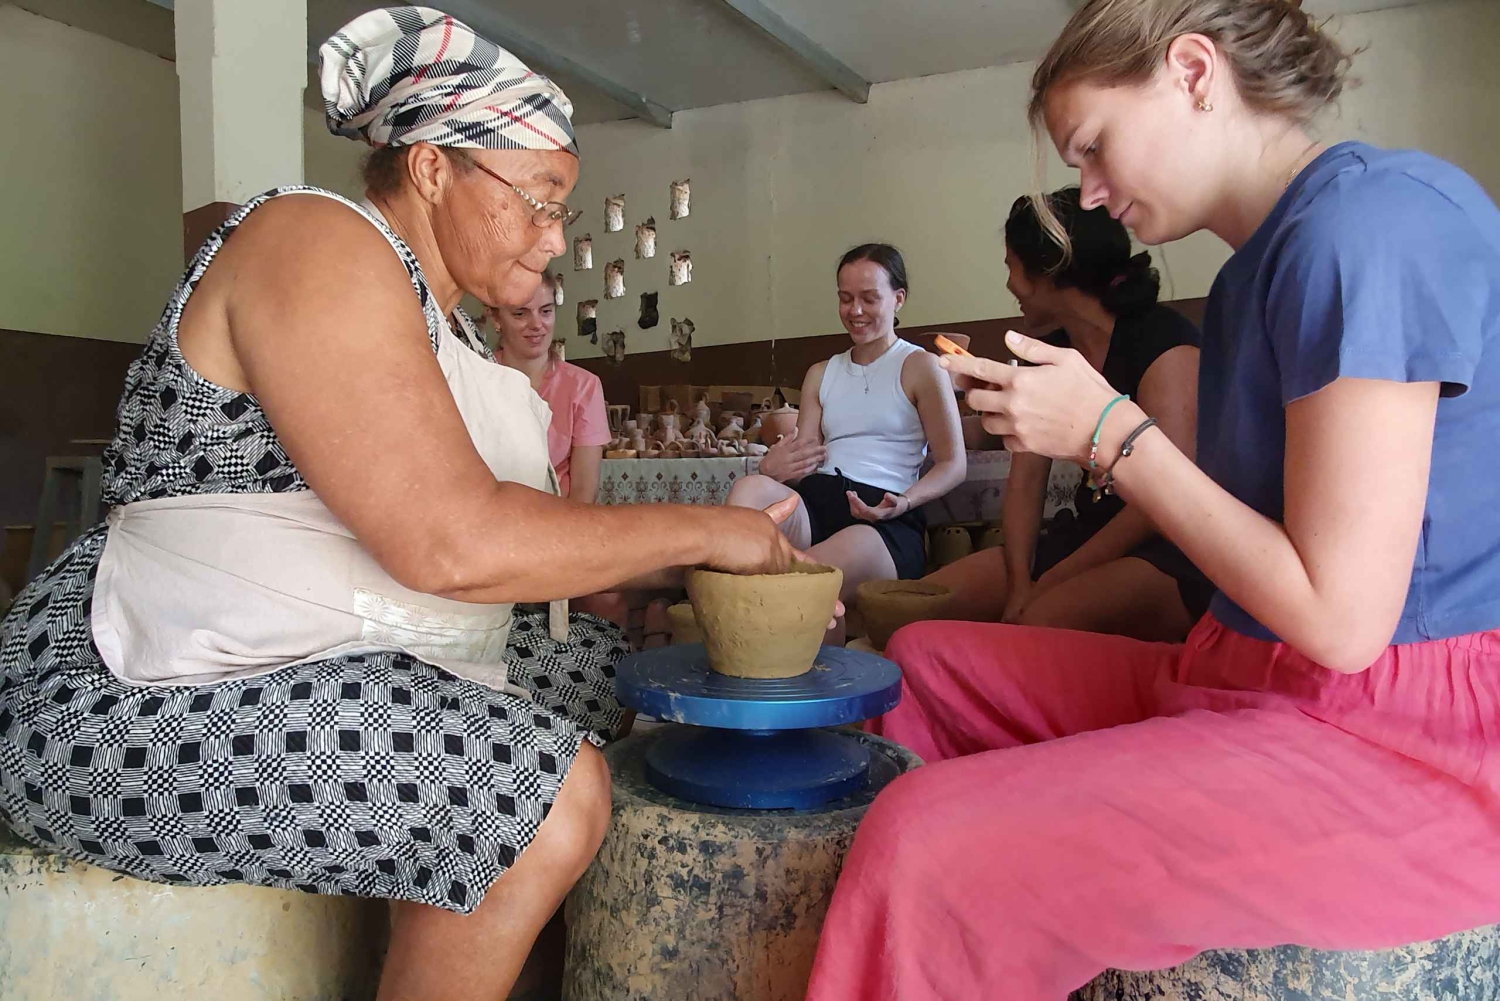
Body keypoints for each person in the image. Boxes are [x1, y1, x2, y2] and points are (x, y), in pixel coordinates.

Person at [0, 9, 807, 1000]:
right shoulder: (311, 240)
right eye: (539, 201)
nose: (555, 239)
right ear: (433, 167)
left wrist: (718, 570)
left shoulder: (448, 333)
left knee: (607, 677)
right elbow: (451, 540)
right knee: (539, 792)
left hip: (306, 651)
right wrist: (708, 527)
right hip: (127, 694)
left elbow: (511, 544)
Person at [807, 1, 1500, 998]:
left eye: (1093, 149)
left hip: (1405, 735)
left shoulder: (1370, 227)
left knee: (919, 839)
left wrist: (1109, 434)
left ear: (1191, 71)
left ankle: (940, 901)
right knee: (917, 664)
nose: (1089, 193)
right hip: (1247, 667)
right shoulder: (1261, 266)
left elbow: (1344, 622)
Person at [926, 188, 1209, 641]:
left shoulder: (1166, 347)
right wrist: (1021, 581)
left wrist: (1051, 583)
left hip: (1169, 549)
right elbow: (1026, 482)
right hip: (1082, 537)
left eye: (1011, 268)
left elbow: (1158, 507)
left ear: (1049, 272)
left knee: (1041, 622)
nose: (1008, 285)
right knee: (923, 603)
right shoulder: (1053, 349)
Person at [727, 244, 965, 606]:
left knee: (802, 581)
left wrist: (903, 502)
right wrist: (773, 468)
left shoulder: (921, 366)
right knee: (749, 489)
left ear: (898, 299)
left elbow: (953, 464)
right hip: (817, 502)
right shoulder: (821, 373)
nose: (855, 311)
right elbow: (804, 459)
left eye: (869, 299)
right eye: (845, 298)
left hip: (883, 518)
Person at [491, 272, 611, 503]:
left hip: (558, 526)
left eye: (546, 311)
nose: (536, 324)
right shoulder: (476, 377)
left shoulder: (583, 386)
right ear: (496, 319)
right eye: (520, 313)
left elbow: (584, 493)